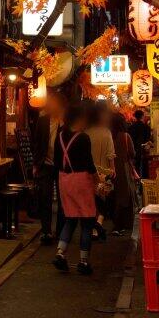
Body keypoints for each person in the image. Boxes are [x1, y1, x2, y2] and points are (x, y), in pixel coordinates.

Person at [52, 105, 98, 275]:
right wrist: (98, 178)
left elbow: (57, 161)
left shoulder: (59, 136)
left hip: (64, 180)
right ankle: (83, 262)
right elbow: (89, 163)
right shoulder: (83, 138)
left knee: (70, 219)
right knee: (87, 222)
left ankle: (60, 253)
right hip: (81, 181)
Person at [32, 91, 66, 245]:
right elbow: (37, 143)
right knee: (44, 197)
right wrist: (35, 164)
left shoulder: (66, 123)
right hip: (45, 164)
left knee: (62, 200)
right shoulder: (43, 121)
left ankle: (60, 231)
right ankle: (46, 231)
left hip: (61, 166)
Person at [85, 102, 116, 239]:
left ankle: (93, 227)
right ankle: (98, 224)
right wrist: (113, 169)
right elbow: (110, 154)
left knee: (92, 200)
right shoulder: (106, 132)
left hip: (88, 172)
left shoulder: (86, 132)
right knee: (102, 200)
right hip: (104, 172)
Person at [111, 113, 137, 235]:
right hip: (123, 169)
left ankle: (116, 224)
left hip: (110, 169)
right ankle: (120, 225)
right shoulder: (125, 136)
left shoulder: (109, 135)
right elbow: (132, 153)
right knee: (125, 196)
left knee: (115, 196)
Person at [128, 110, 151, 178]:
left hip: (134, 149)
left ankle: (136, 179)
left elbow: (130, 139)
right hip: (143, 150)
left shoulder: (131, 127)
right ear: (142, 116)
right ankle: (143, 180)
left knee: (135, 167)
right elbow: (148, 139)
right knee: (144, 167)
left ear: (135, 116)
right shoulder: (146, 127)